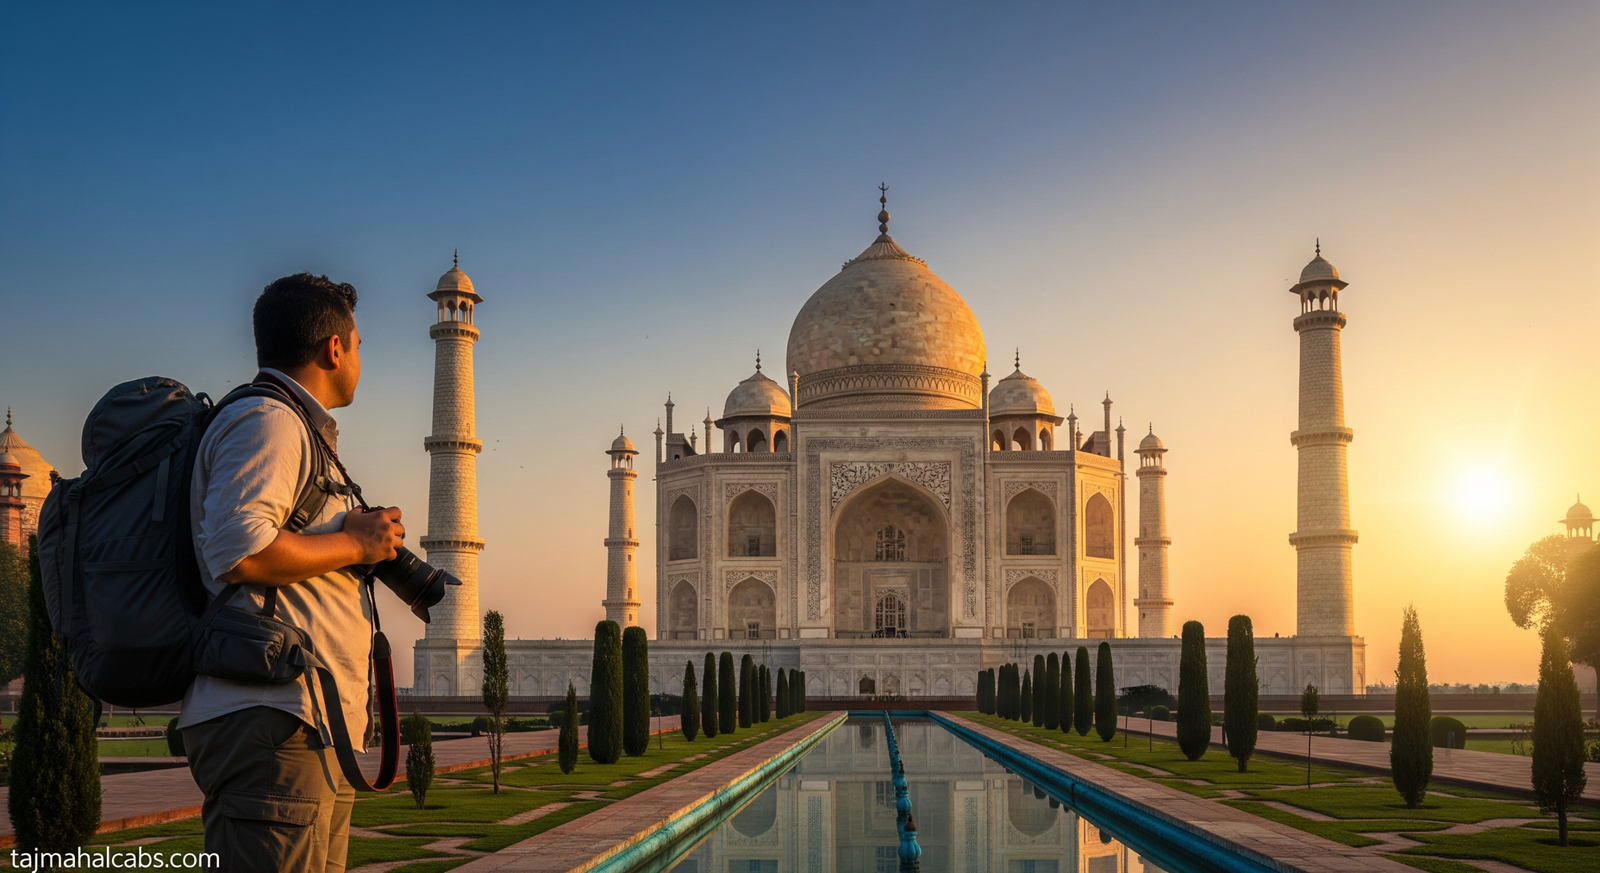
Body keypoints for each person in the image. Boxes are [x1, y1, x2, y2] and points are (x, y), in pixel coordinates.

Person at [179, 273, 404, 872]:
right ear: (334, 348)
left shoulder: (297, 429)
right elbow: (239, 550)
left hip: (304, 722)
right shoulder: (270, 420)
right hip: (274, 721)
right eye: (358, 344)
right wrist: (355, 546)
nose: (360, 357)